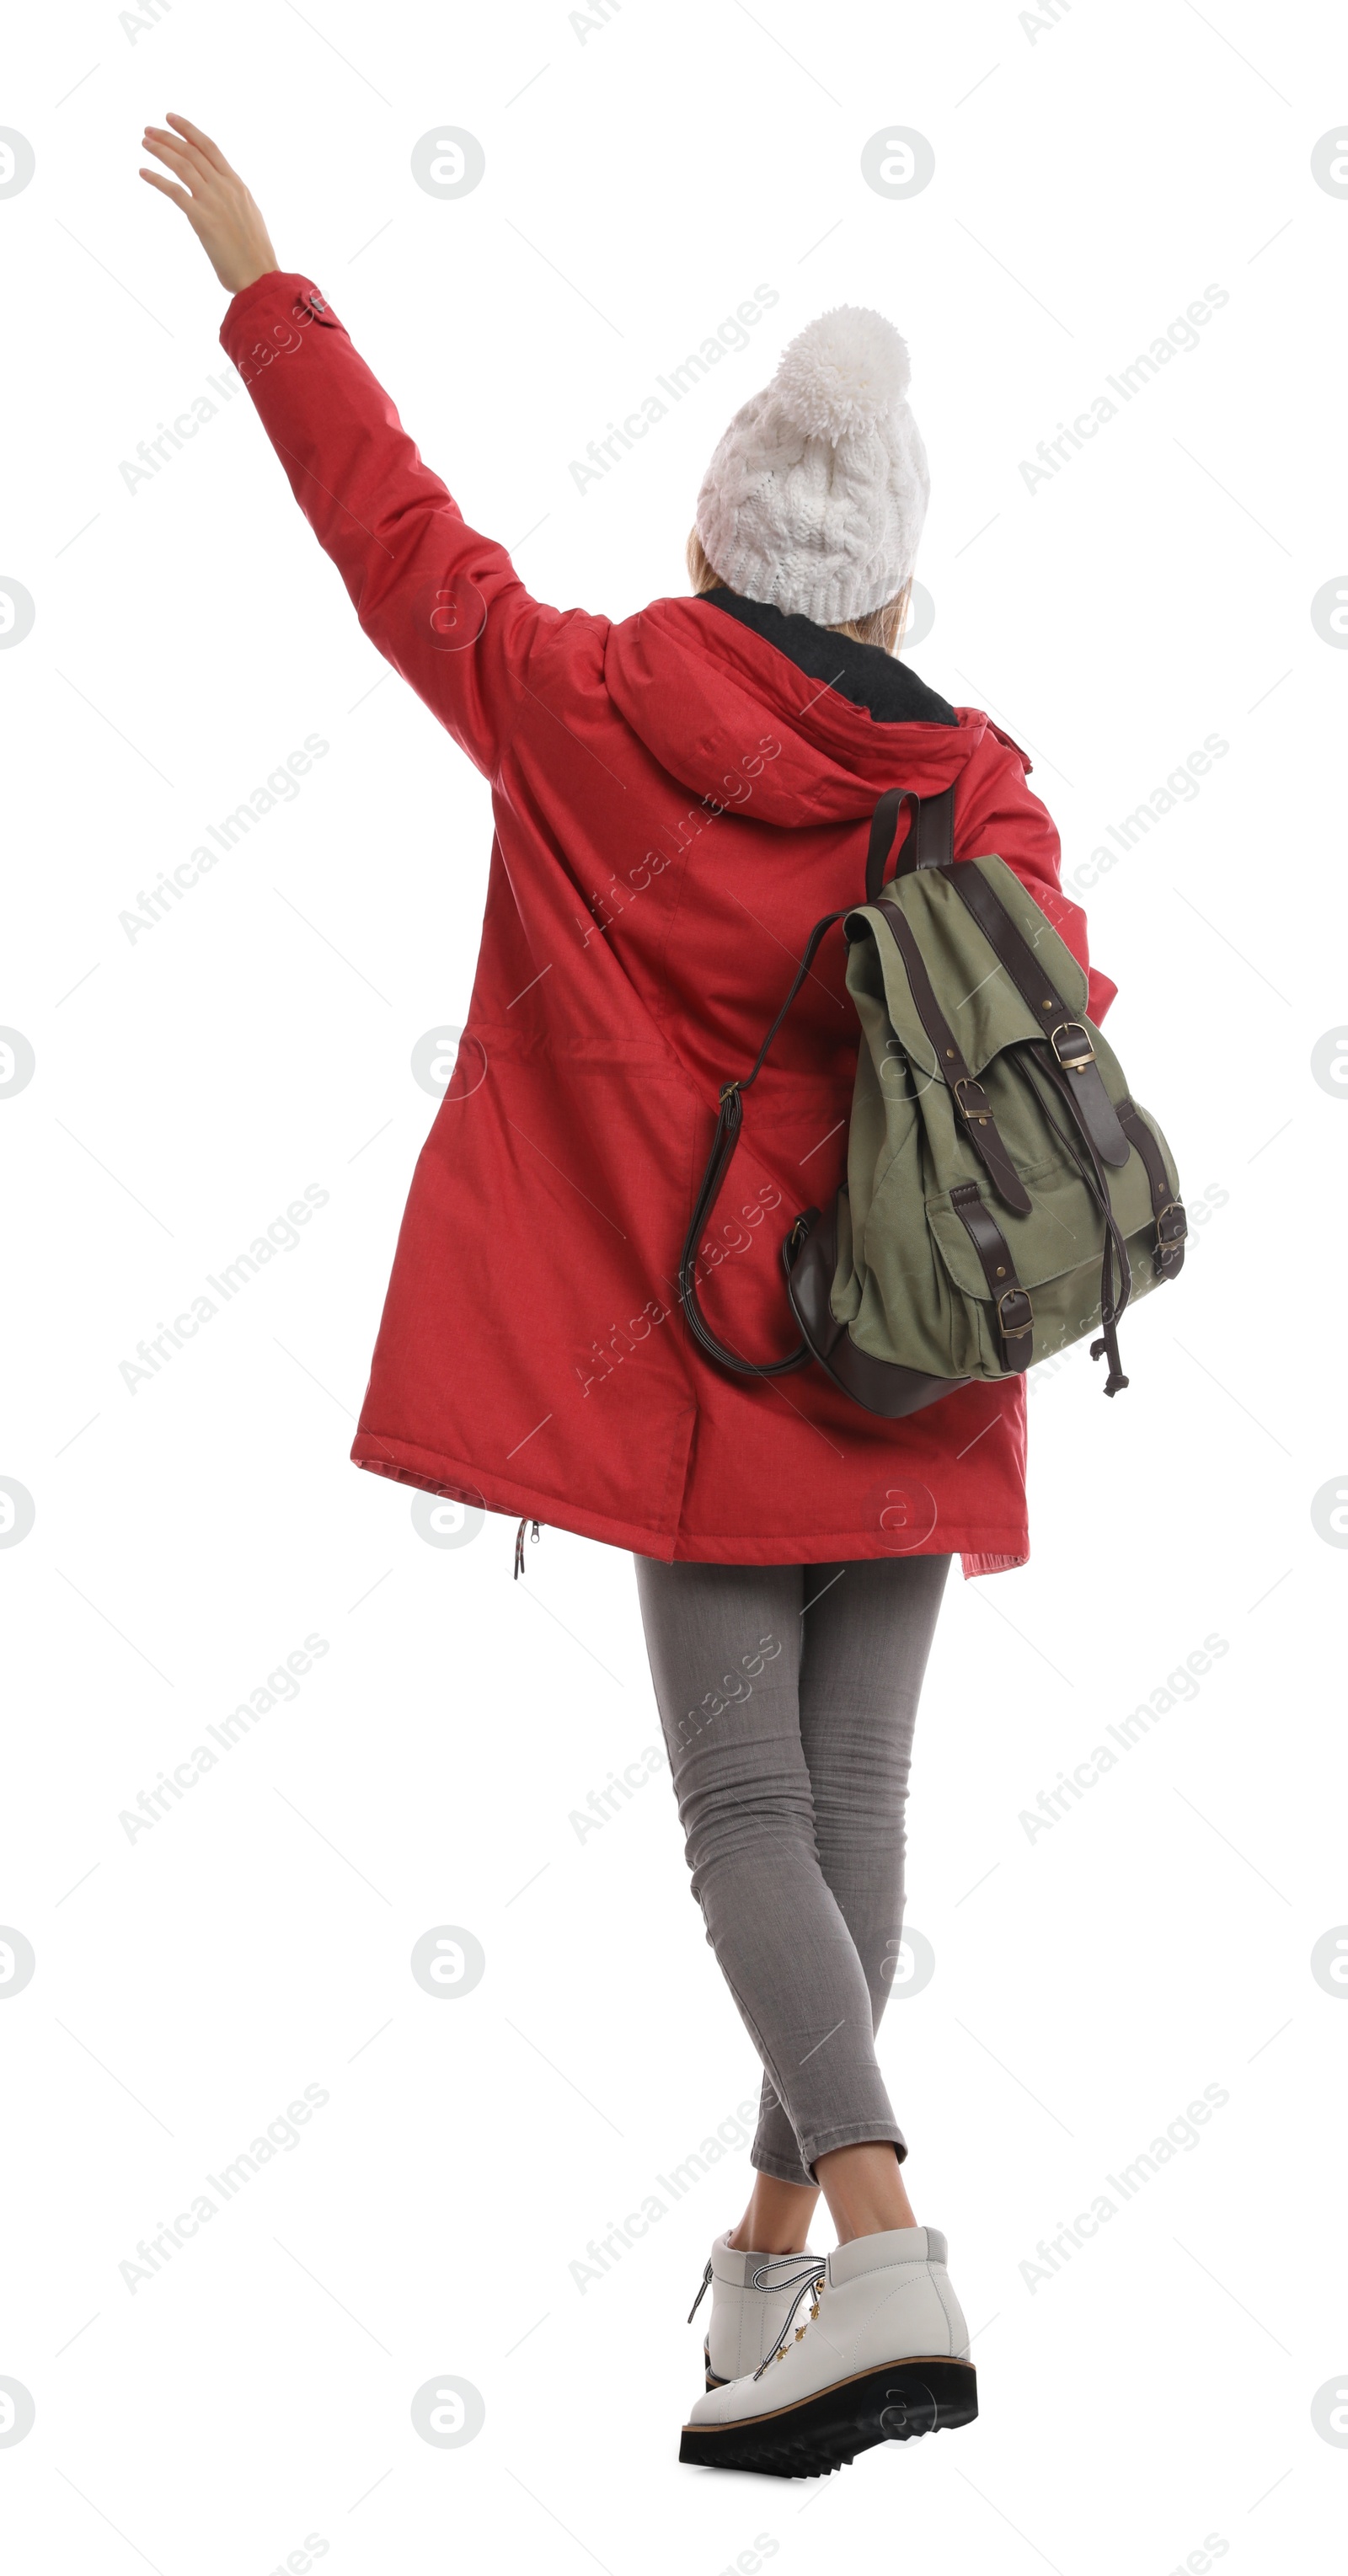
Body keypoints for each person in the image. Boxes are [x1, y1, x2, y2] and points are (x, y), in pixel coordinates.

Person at [140, 114, 1117, 2478]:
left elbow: (403, 545)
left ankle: (880, 2231)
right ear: (888, 596)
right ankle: (782, 2259)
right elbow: (1062, 1001)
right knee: (855, 1798)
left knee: (745, 1812)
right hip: (927, 1370)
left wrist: (270, 289)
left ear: (708, 539)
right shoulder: (973, 785)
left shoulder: (583, 708)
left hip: (704, 1375)